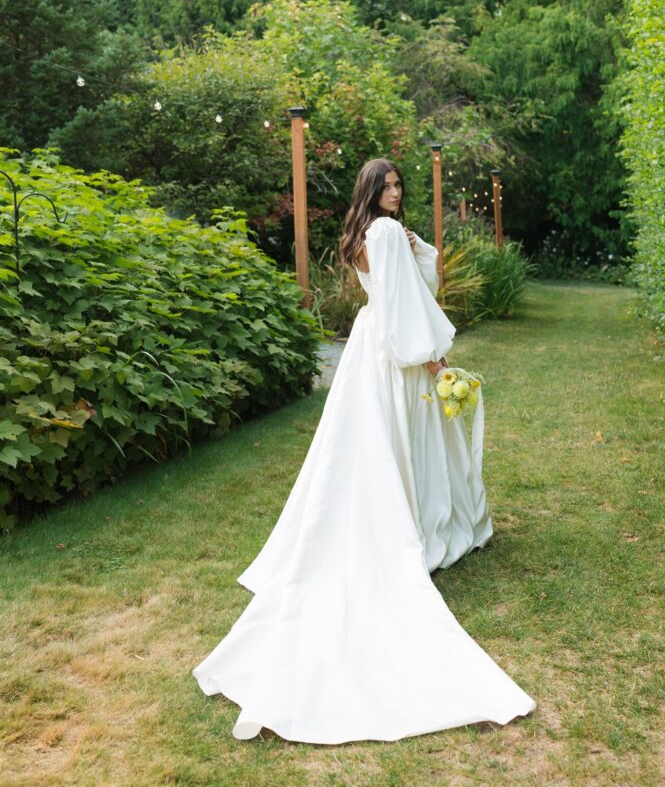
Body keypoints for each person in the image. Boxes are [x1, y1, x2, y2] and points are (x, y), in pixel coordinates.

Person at [192, 158, 535, 743]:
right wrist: (433, 358)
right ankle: (416, 522)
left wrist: (416, 242)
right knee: (401, 437)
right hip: (396, 349)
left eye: (400, 185)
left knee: (369, 443)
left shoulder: (364, 232)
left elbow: (404, 287)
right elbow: (411, 303)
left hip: (369, 347)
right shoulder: (382, 232)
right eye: (390, 186)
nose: (398, 193)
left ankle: (394, 512)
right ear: (372, 191)